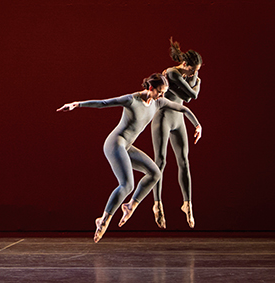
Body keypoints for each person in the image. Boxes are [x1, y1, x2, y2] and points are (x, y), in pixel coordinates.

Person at [57, 73, 202, 243]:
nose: (162, 96)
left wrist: (197, 125)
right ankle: (103, 220)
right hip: (115, 144)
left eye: (164, 93)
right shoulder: (132, 100)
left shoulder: (158, 102)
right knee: (127, 185)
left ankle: (130, 206)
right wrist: (77, 104)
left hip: (127, 147)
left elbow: (182, 108)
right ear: (150, 88)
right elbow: (104, 103)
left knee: (155, 173)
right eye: (160, 92)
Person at [151, 38, 202, 229]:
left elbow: (188, 97)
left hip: (178, 118)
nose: (195, 73)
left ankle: (187, 204)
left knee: (184, 161)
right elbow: (192, 95)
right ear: (185, 64)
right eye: (193, 69)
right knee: (161, 161)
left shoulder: (187, 74)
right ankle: (157, 204)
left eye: (197, 71)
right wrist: (197, 82)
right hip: (163, 117)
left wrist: (194, 80)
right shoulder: (172, 73)